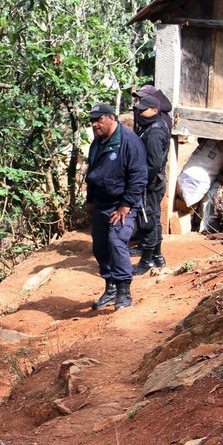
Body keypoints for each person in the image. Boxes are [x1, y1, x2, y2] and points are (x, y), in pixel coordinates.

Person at [85, 102, 148, 310]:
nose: (95, 124)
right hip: (101, 203)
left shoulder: (130, 142)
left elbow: (139, 176)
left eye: (99, 119)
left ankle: (124, 292)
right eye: (92, 120)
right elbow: (92, 174)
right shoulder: (98, 142)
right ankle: (110, 288)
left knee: (116, 241)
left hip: (122, 204)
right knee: (100, 246)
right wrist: (90, 200)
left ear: (111, 117)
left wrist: (126, 205)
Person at [131, 85, 173, 274]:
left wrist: (142, 183)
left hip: (151, 182)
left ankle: (146, 261)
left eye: (142, 110)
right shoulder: (152, 125)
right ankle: (156, 256)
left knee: (148, 220)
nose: (138, 112)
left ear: (154, 110)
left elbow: (154, 163)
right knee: (153, 218)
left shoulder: (154, 131)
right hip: (154, 180)